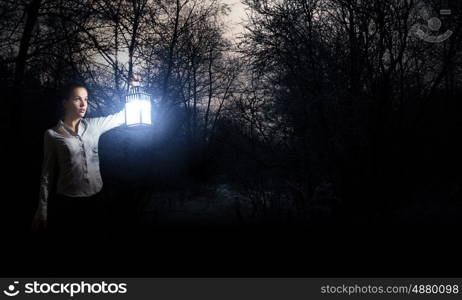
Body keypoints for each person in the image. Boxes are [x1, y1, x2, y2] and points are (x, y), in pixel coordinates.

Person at [30, 78, 137, 238]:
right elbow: (47, 175)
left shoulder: (94, 125)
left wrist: (133, 89)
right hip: (68, 203)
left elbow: (122, 116)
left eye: (86, 99)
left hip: (97, 200)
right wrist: (42, 208)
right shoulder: (52, 134)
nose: (83, 104)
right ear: (65, 103)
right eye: (77, 99)